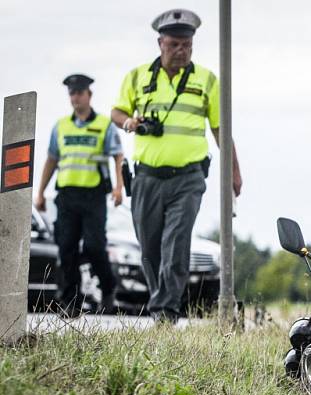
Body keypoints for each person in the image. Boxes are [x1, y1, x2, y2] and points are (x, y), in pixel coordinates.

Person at [111, 9, 243, 323]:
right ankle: (162, 303)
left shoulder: (207, 79)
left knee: (176, 243)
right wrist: (130, 122)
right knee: (150, 249)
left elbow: (220, 128)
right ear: (160, 43)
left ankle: (165, 311)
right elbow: (116, 113)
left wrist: (234, 171)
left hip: (189, 177)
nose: (181, 51)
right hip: (146, 178)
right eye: (174, 45)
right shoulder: (138, 76)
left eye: (187, 45)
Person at [34, 74, 124, 317]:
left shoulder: (104, 125)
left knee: (95, 247)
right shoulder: (61, 126)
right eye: (72, 93)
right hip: (67, 196)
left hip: (94, 196)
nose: (75, 97)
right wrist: (40, 192)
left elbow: (118, 155)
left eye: (79, 93)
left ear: (89, 95)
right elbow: (52, 159)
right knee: (67, 249)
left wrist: (119, 186)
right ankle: (70, 303)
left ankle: (108, 288)